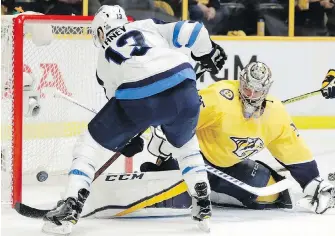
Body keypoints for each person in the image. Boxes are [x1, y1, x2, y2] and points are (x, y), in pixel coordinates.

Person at [42, 4, 227, 235]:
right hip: (184, 89)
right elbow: (195, 31)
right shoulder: (148, 25)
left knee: (88, 145)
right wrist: (207, 52)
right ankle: (203, 204)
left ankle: (70, 206)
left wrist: (125, 139)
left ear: (100, 31)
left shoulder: (103, 59)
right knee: (186, 146)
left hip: (138, 98)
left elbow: (117, 104)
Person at [144, 62, 335, 213]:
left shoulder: (275, 114)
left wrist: (313, 182)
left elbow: (293, 150)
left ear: (266, 90)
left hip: (230, 166)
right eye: (247, 89)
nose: (251, 95)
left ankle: (208, 192)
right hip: (194, 159)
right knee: (172, 200)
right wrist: (166, 133)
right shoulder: (219, 97)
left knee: (271, 195)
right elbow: (184, 114)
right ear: (241, 82)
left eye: (257, 91)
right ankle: (163, 173)